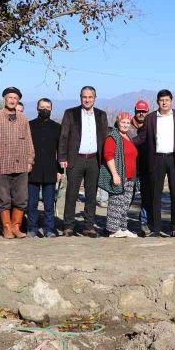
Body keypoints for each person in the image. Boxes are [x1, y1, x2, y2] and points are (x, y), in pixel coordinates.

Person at [58, 86, 109, 237]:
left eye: (90, 97)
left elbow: (105, 137)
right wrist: (62, 157)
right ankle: (68, 226)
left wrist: (105, 159)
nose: (87, 100)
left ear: (95, 98)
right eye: (84, 97)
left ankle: (89, 226)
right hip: (76, 159)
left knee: (91, 195)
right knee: (72, 193)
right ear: (80, 98)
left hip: (94, 159)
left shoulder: (101, 115)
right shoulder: (70, 113)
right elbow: (63, 137)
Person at [139, 89, 175, 237]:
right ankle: (155, 228)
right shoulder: (150, 118)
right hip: (157, 159)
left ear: (171, 101)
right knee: (155, 195)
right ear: (157, 102)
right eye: (162, 100)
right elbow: (142, 137)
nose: (164, 103)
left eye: (167, 100)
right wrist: (125, 142)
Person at [0, 87, 35, 239]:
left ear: (18, 100)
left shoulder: (23, 118)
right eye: (10, 97)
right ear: (4, 99)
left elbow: (28, 140)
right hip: (2, 164)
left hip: (21, 164)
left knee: (21, 198)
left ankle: (16, 227)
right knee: (4, 198)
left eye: (15, 98)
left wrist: (30, 160)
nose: (12, 100)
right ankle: (6, 228)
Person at [98, 112, 139, 238]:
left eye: (128, 122)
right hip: (119, 175)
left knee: (125, 204)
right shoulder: (113, 137)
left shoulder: (128, 138)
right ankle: (112, 230)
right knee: (116, 203)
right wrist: (115, 174)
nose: (125, 125)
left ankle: (122, 227)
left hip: (130, 176)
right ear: (118, 122)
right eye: (123, 122)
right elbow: (108, 155)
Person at [27, 98, 61, 238]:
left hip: (50, 169)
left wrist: (60, 170)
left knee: (49, 203)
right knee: (32, 203)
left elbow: (61, 150)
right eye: (42, 107)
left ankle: (49, 229)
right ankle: (32, 228)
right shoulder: (29, 125)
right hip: (32, 168)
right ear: (37, 108)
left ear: (51, 109)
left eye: (47, 107)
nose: (45, 109)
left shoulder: (57, 127)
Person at [128, 99, 152, 235]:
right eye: (139, 111)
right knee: (127, 195)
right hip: (130, 166)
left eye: (144, 111)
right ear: (135, 111)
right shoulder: (126, 125)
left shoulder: (152, 126)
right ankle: (120, 221)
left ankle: (144, 223)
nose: (141, 113)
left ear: (147, 112)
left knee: (146, 197)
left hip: (146, 166)